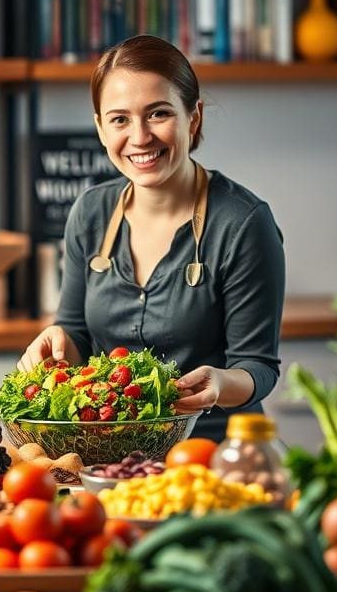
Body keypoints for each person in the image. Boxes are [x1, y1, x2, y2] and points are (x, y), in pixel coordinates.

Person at [18, 35, 285, 442]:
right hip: (110, 454)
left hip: (213, 451)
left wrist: (220, 384)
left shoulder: (243, 223)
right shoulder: (90, 213)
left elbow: (258, 367)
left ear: (193, 117)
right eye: (120, 119)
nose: (140, 137)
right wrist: (57, 343)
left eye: (158, 113)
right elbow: (76, 333)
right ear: (100, 128)